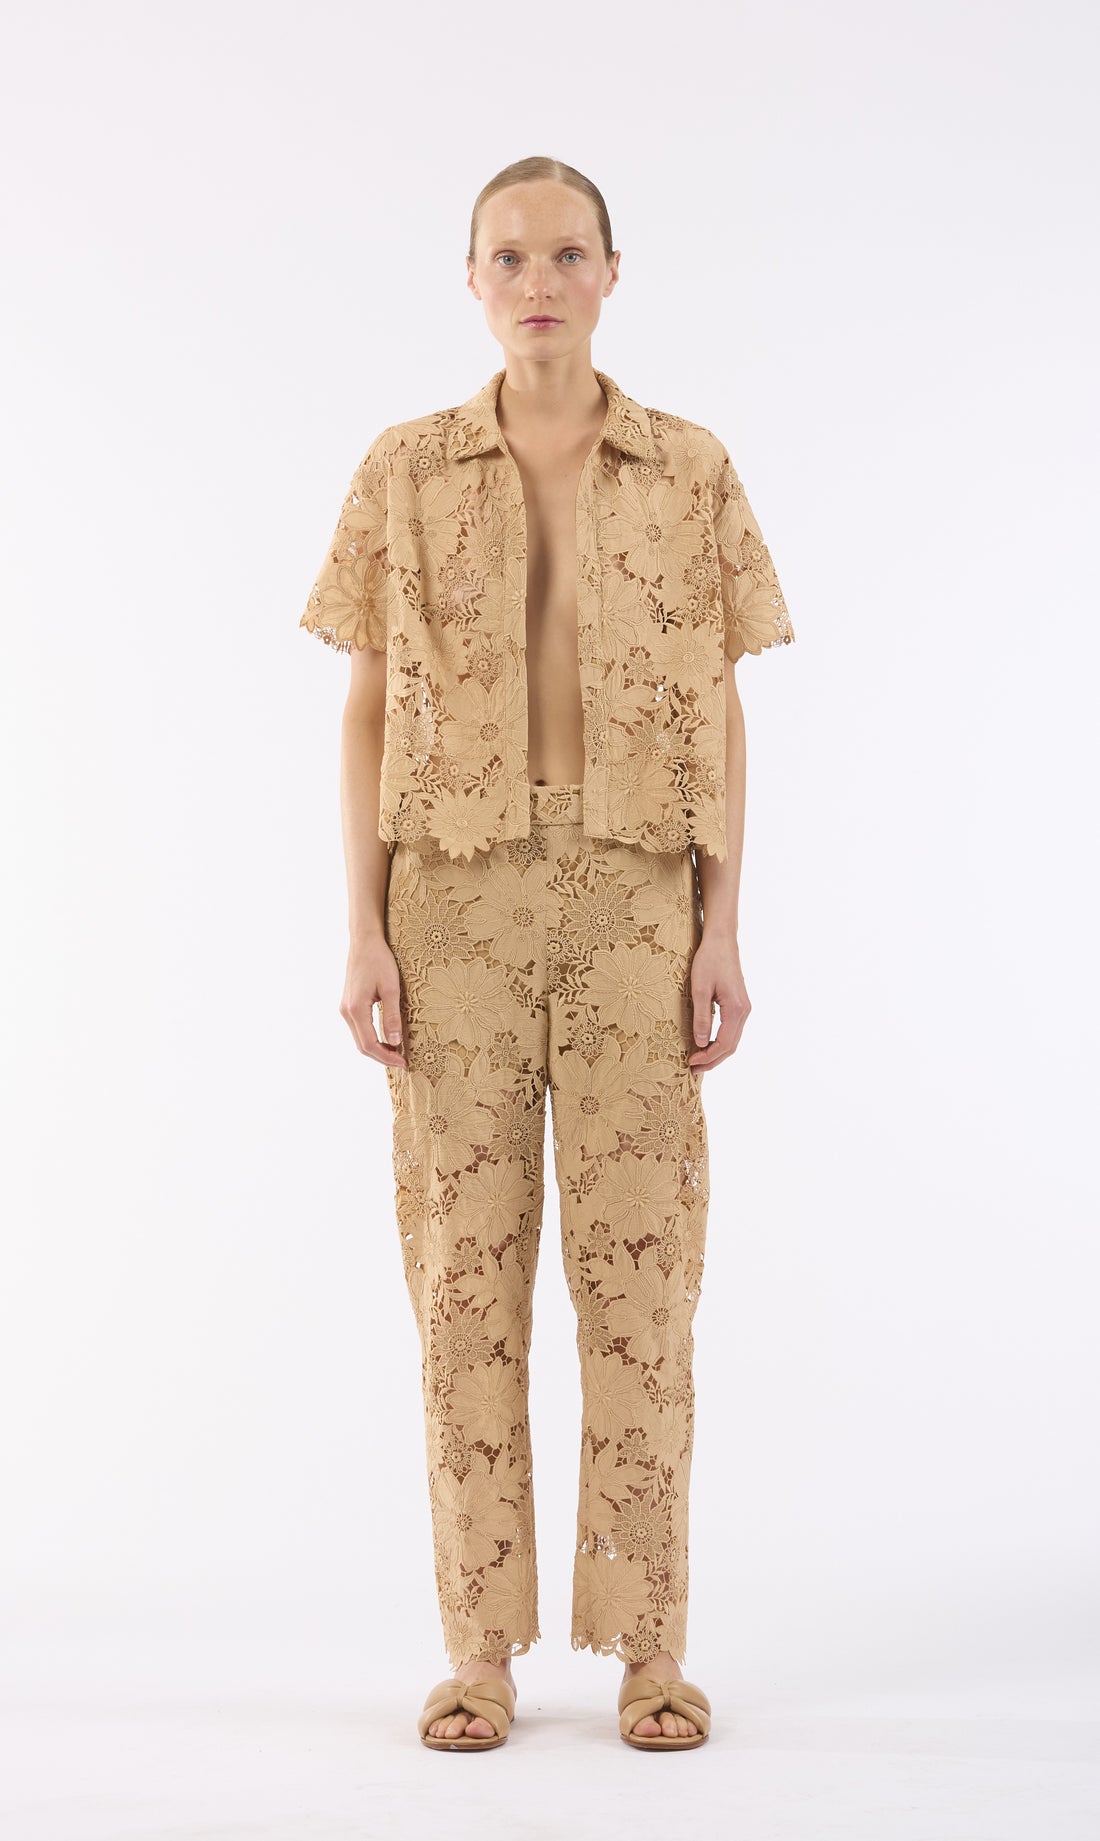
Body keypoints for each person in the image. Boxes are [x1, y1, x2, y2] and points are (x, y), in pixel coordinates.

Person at [299, 155, 796, 1752]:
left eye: (567, 253)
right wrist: (362, 924)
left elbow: (725, 708)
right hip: (452, 905)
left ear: (612, 272)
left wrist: (722, 921)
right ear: (471, 279)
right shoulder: (404, 469)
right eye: (509, 256)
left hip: (637, 901)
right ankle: (480, 1651)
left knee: (645, 1280)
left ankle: (653, 1646)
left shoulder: (690, 468)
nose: (539, 281)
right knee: (466, 1280)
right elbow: (365, 707)